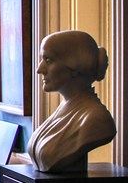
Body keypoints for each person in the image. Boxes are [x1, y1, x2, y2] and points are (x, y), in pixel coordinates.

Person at [27, 30, 116, 173]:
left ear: (76, 66)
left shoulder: (96, 119)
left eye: (48, 60)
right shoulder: (64, 109)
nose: (39, 69)